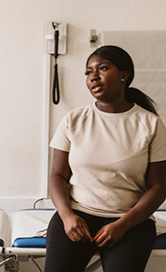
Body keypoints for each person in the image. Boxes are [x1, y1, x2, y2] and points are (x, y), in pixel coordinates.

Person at [44, 45, 166, 272]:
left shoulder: (150, 124)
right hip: (77, 216)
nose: (94, 77)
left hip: (131, 222)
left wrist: (123, 224)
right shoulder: (73, 120)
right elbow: (57, 176)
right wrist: (66, 215)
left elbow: (158, 187)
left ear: (124, 75)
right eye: (88, 72)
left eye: (102, 68)